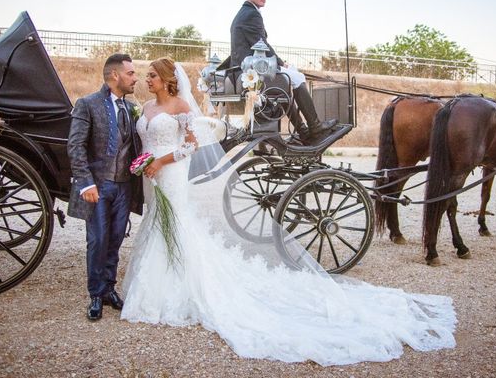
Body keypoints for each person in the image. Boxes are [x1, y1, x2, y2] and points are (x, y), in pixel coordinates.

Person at [120, 57, 456, 365]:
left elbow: (189, 142)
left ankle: (176, 280)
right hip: (155, 174)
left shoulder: (179, 104)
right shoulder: (147, 105)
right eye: (145, 75)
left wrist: (160, 160)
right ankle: (311, 125)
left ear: (166, 79)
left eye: (151, 75)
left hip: (167, 170)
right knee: (291, 74)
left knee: (175, 222)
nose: (146, 79)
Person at [67, 53, 143, 321]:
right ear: (115, 75)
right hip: (98, 186)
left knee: (115, 239)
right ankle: (96, 295)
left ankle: (109, 289)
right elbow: (75, 146)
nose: (135, 78)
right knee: (97, 240)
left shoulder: (131, 107)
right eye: (131, 73)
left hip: (124, 186)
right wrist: (85, 182)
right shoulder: (87, 104)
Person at [230, 0, 337, 143]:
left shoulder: (244, 13)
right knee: (296, 77)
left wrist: (282, 63)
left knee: (287, 83)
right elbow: (261, 44)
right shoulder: (251, 14)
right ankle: (314, 126)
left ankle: (303, 130)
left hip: (246, 70)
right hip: (251, 74)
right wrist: (281, 63)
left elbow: (259, 45)